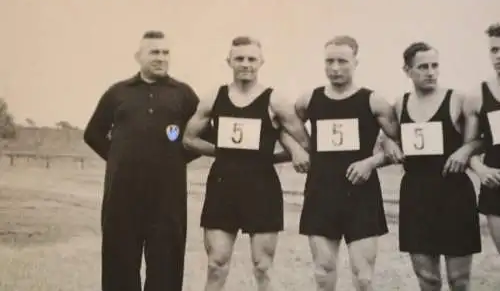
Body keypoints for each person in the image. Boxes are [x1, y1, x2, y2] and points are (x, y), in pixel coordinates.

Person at [83, 30, 210, 291]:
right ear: (138, 56)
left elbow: (204, 136)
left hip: (167, 198)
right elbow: (93, 134)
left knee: (166, 266)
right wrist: (120, 159)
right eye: (154, 52)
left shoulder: (183, 94)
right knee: (120, 265)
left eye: (165, 53)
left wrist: (175, 160)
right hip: (122, 196)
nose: (161, 58)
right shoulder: (118, 93)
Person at [182, 36, 310, 291]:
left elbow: (305, 143)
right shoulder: (214, 97)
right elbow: (188, 139)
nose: (245, 64)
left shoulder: (275, 100)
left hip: (262, 187)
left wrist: (277, 153)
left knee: (263, 266)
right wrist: (223, 151)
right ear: (229, 61)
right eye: (239, 58)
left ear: (261, 62)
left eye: (251, 59)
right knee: (217, 264)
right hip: (223, 186)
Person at [288, 35, 403, 291]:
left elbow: (399, 144)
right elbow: (284, 126)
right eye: (330, 61)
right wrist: (296, 149)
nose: (335, 68)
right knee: (323, 273)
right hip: (321, 192)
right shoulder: (310, 99)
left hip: (361, 193)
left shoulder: (373, 100)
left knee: (363, 277)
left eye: (342, 61)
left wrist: (371, 162)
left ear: (355, 62)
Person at [392, 42, 482, 291]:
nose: (431, 72)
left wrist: (466, 149)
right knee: (427, 279)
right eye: (422, 67)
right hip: (415, 195)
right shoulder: (400, 103)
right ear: (407, 70)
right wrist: (390, 145)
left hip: (454, 194)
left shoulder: (458, 99)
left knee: (459, 280)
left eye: (435, 66)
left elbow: (484, 137)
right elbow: (387, 136)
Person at [465, 23, 500, 253]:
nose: (498, 56)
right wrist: (481, 169)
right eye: (494, 50)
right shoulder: (478, 95)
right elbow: (468, 148)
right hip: (496, 183)